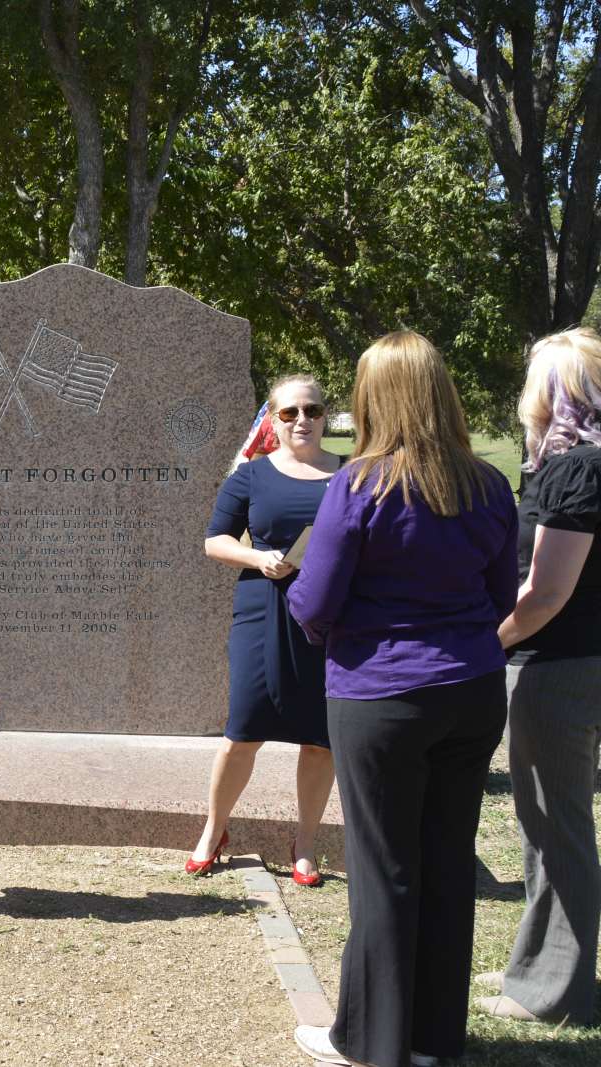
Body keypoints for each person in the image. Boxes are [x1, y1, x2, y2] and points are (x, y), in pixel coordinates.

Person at [286, 331, 518, 1067]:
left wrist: (318, 620)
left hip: (381, 694)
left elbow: (314, 599)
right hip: (472, 689)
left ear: (373, 397)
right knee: (448, 861)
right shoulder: (489, 485)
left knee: (384, 870)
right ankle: (433, 1040)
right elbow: (501, 596)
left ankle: (375, 1043)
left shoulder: (358, 485)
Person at [475, 327, 601, 1027]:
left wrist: (482, 645)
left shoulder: (576, 469)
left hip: (558, 669)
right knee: (546, 826)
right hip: (577, 663)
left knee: (557, 830)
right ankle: (539, 960)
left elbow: (546, 593)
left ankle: (552, 989)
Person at [188, 375, 340, 885]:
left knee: (321, 738)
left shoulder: (350, 474)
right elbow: (215, 541)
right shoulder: (251, 475)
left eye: (313, 410)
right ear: (273, 419)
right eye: (290, 412)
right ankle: (213, 831)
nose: (303, 420)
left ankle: (305, 844)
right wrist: (259, 557)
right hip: (263, 609)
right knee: (243, 730)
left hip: (329, 617)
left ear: (325, 415)